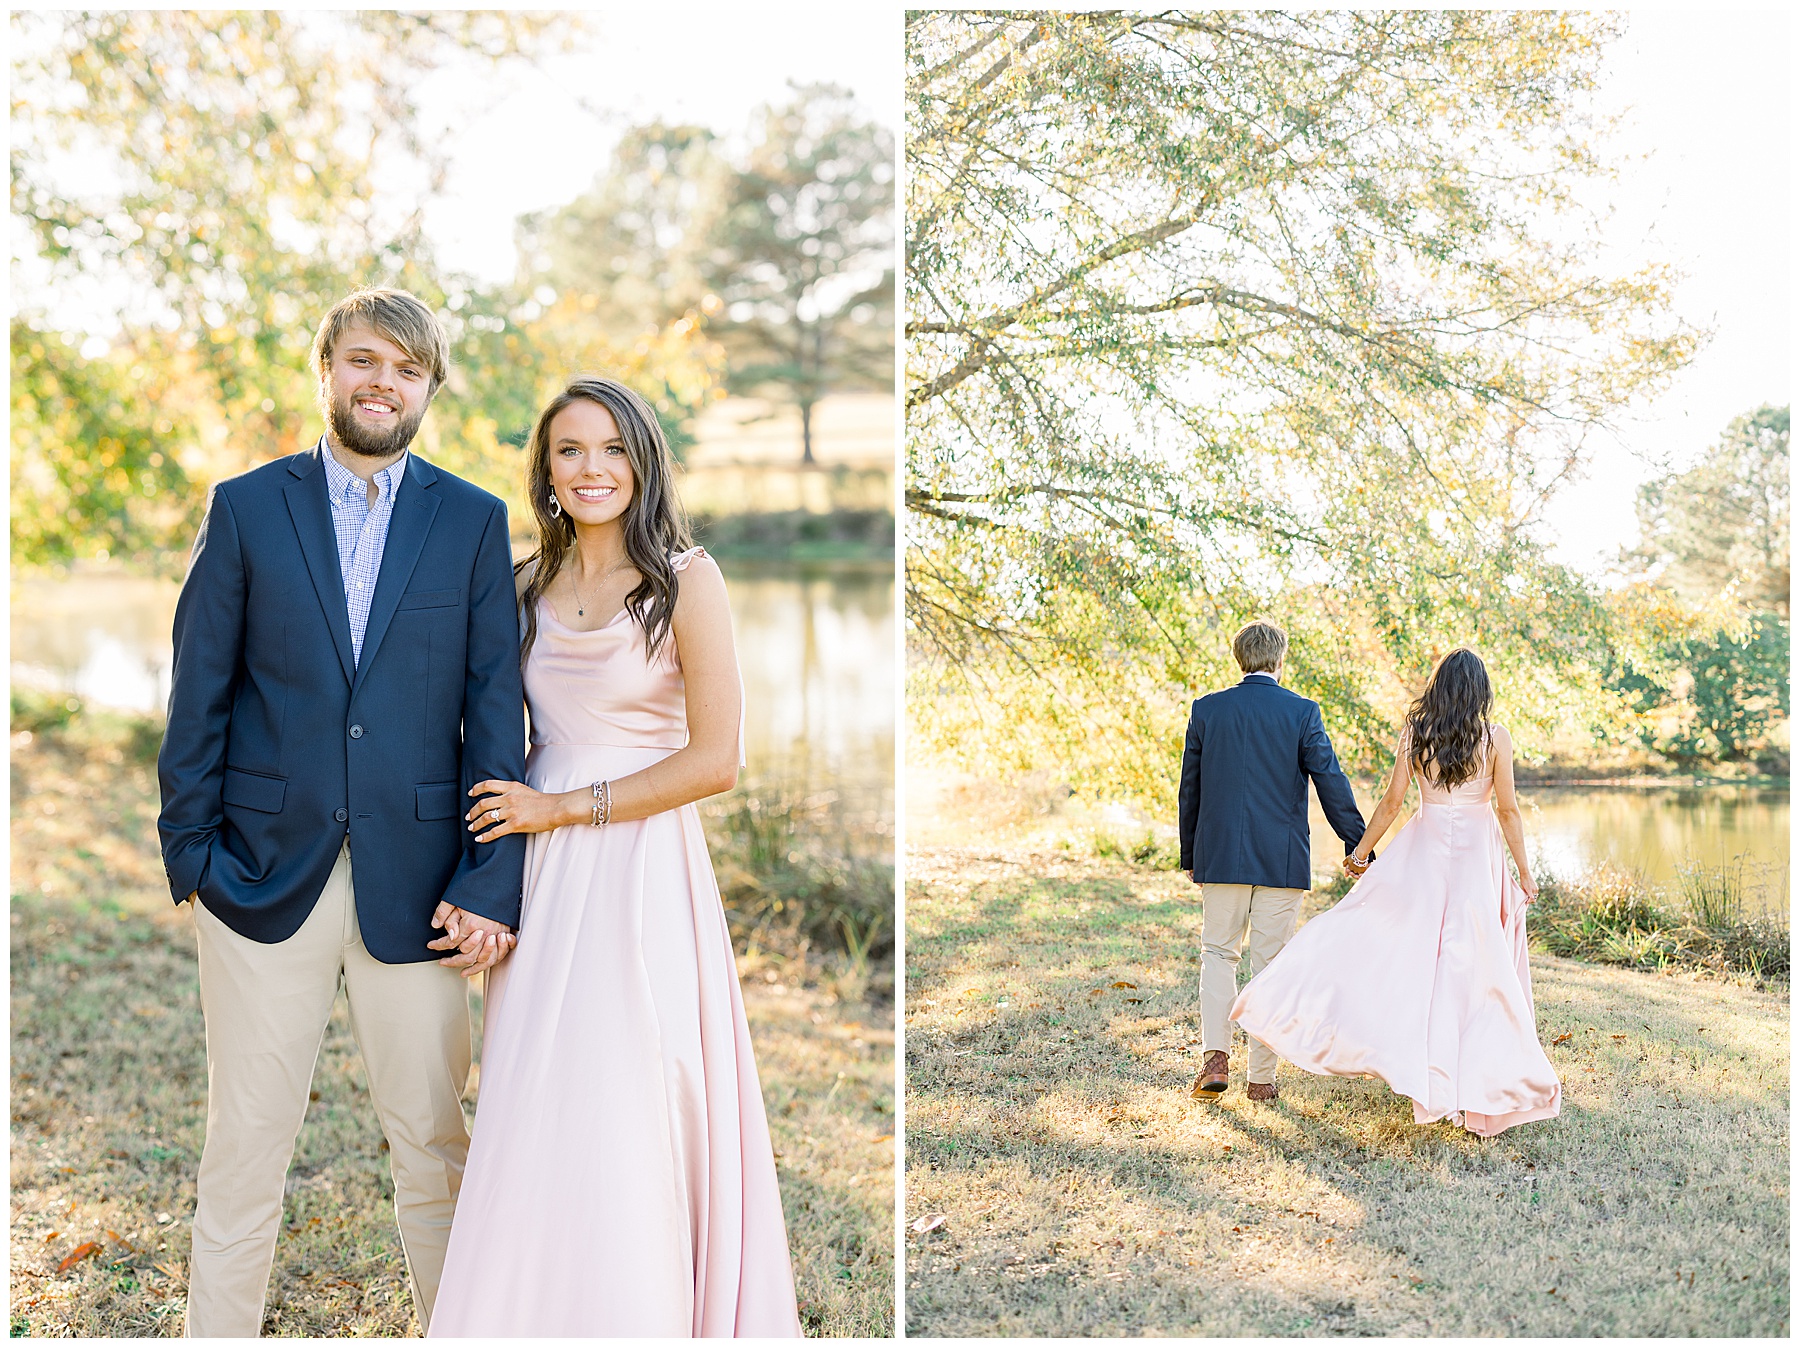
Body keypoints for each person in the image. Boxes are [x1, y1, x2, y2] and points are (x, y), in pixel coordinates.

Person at [156, 288, 526, 1337]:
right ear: (326, 369)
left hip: (423, 892)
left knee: (435, 1147)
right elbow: (198, 694)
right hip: (258, 875)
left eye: (408, 369)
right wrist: (192, 856)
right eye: (365, 360)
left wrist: (488, 879)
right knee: (245, 1146)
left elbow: (495, 716)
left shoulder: (472, 521)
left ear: (429, 389)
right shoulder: (246, 507)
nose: (383, 383)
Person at [428, 376, 802, 1337]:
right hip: (542, 873)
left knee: (634, 1081)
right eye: (570, 450)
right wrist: (481, 879)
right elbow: (485, 738)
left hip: (643, 869)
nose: (591, 469)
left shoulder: (687, 580)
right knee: (540, 1090)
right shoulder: (522, 587)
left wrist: (563, 808)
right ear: (547, 471)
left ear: (642, 463)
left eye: (612, 449)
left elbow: (717, 760)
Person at [1231, 648, 1562, 1136]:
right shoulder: (1495, 738)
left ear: (1438, 687)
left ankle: (1433, 1075)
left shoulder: (1417, 732)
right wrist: (1525, 873)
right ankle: (1460, 1081)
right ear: (1481, 691)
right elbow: (1508, 810)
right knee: (1471, 963)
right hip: (1477, 855)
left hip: (1425, 850)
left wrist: (1361, 853)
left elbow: (1391, 802)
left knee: (1413, 954)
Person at [1177, 619, 1369, 1103]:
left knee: (1218, 955)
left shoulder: (1207, 709)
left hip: (1221, 854)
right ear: (1280, 660)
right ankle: (1260, 1080)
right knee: (1270, 967)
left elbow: (1190, 788)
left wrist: (1191, 853)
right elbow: (1330, 780)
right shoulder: (1302, 712)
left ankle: (1215, 1058)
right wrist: (1358, 844)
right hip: (1281, 860)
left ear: (1239, 659)